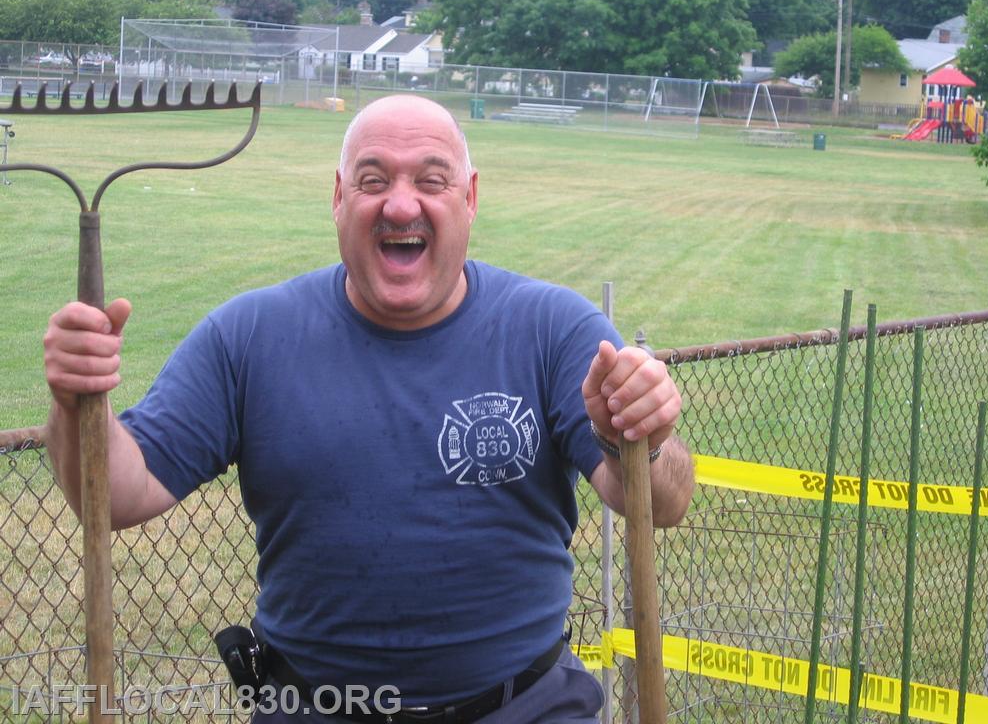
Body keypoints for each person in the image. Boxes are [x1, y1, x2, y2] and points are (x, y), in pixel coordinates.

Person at [43, 94, 694, 723]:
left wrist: (643, 438)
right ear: (338, 198)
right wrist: (76, 405)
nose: (400, 204)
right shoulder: (250, 336)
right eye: (372, 179)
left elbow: (661, 502)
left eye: (431, 180)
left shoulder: (550, 328)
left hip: (524, 707)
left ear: (469, 199)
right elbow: (117, 495)